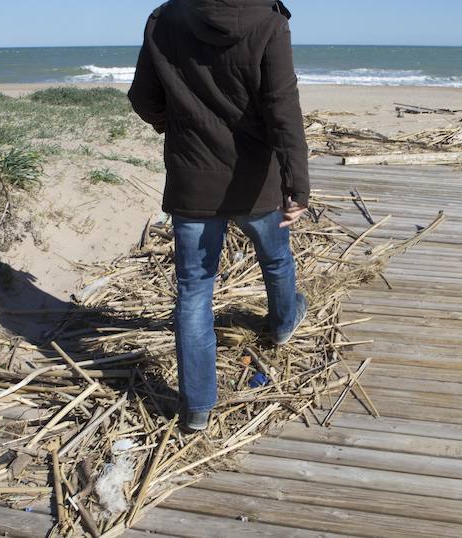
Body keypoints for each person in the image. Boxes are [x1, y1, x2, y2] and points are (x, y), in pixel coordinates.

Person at [128, 0, 310, 432]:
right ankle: (283, 324)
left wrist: (171, 124)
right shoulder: (269, 21)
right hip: (256, 181)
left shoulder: (166, 17)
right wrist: (296, 184)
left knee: (194, 291)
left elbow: (142, 97)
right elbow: (282, 107)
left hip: (193, 179)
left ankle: (196, 409)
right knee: (275, 258)